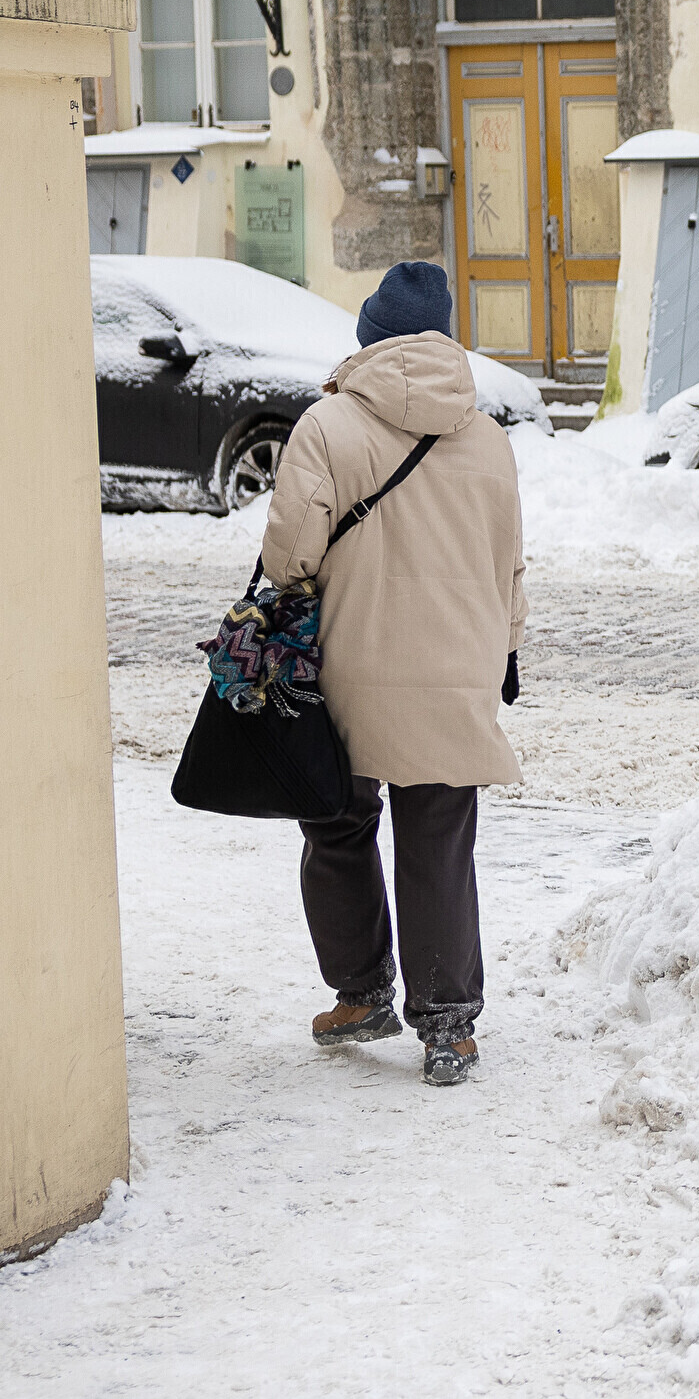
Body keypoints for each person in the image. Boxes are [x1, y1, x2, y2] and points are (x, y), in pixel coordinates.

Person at [260, 260, 525, 1086]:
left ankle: (362, 992)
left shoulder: (327, 426)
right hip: (460, 664)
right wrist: (508, 652)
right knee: (438, 836)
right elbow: (508, 564)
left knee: (338, 822)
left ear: (370, 337)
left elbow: (289, 559)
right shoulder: (486, 438)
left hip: (353, 663)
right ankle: (449, 1027)